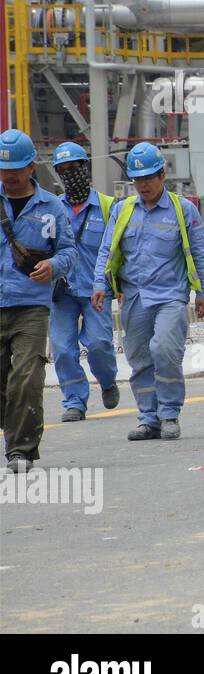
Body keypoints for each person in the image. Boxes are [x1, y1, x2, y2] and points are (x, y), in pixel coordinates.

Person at [93, 142, 204, 442]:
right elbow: (107, 250)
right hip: (134, 296)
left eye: (148, 178)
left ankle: (169, 413)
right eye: (137, 180)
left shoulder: (182, 210)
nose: (143, 185)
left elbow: (200, 251)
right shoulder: (122, 210)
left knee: (165, 350)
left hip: (170, 295)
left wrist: (203, 291)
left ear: (162, 175)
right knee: (139, 358)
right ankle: (149, 418)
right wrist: (100, 285)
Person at [1, 131, 76, 472]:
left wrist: (53, 266)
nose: (10, 175)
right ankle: (13, 425)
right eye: (4, 169)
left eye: (16, 168)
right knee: (6, 383)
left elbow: (69, 251)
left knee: (27, 377)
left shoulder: (52, 207)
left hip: (31, 305)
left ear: (31, 166)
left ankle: (21, 449)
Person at [48, 142, 119, 422]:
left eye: (74, 168)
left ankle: (107, 380)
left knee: (99, 343)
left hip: (96, 290)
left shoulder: (108, 207)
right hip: (61, 291)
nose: (69, 175)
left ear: (84, 168)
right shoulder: (53, 208)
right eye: (63, 170)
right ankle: (74, 401)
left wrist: (121, 285)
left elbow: (118, 251)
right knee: (63, 349)